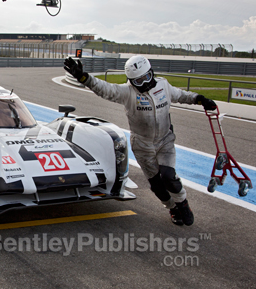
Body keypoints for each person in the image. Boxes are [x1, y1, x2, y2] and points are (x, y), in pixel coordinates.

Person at [64, 55, 217, 226]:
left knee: (168, 176)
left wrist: (200, 99)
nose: (144, 84)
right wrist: (83, 77)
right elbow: (105, 88)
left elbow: (181, 95)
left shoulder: (163, 85)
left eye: (146, 78)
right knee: (156, 185)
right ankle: (172, 207)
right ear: (131, 81)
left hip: (165, 141)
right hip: (142, 145)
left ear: (151, 73)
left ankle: (183, 203)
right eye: (138, 81)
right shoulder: (127, 92)